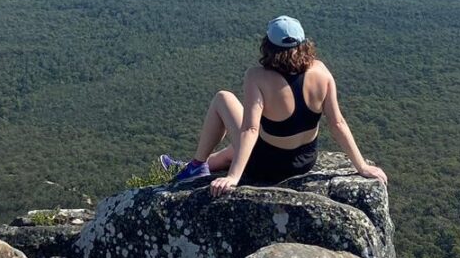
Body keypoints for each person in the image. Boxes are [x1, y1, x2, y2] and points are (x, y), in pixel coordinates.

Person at [162, 15, 388, 197]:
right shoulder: (321, 72)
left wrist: (233, 178)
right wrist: (361, 167)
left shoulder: (257, 77)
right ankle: (193, 168)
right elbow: (338, 123)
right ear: (304, 45)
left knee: (223, 98)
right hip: (304, 162)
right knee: (241, 147)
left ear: (268, 46)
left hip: (266, 166)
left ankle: (196, 166)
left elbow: (250, 130)